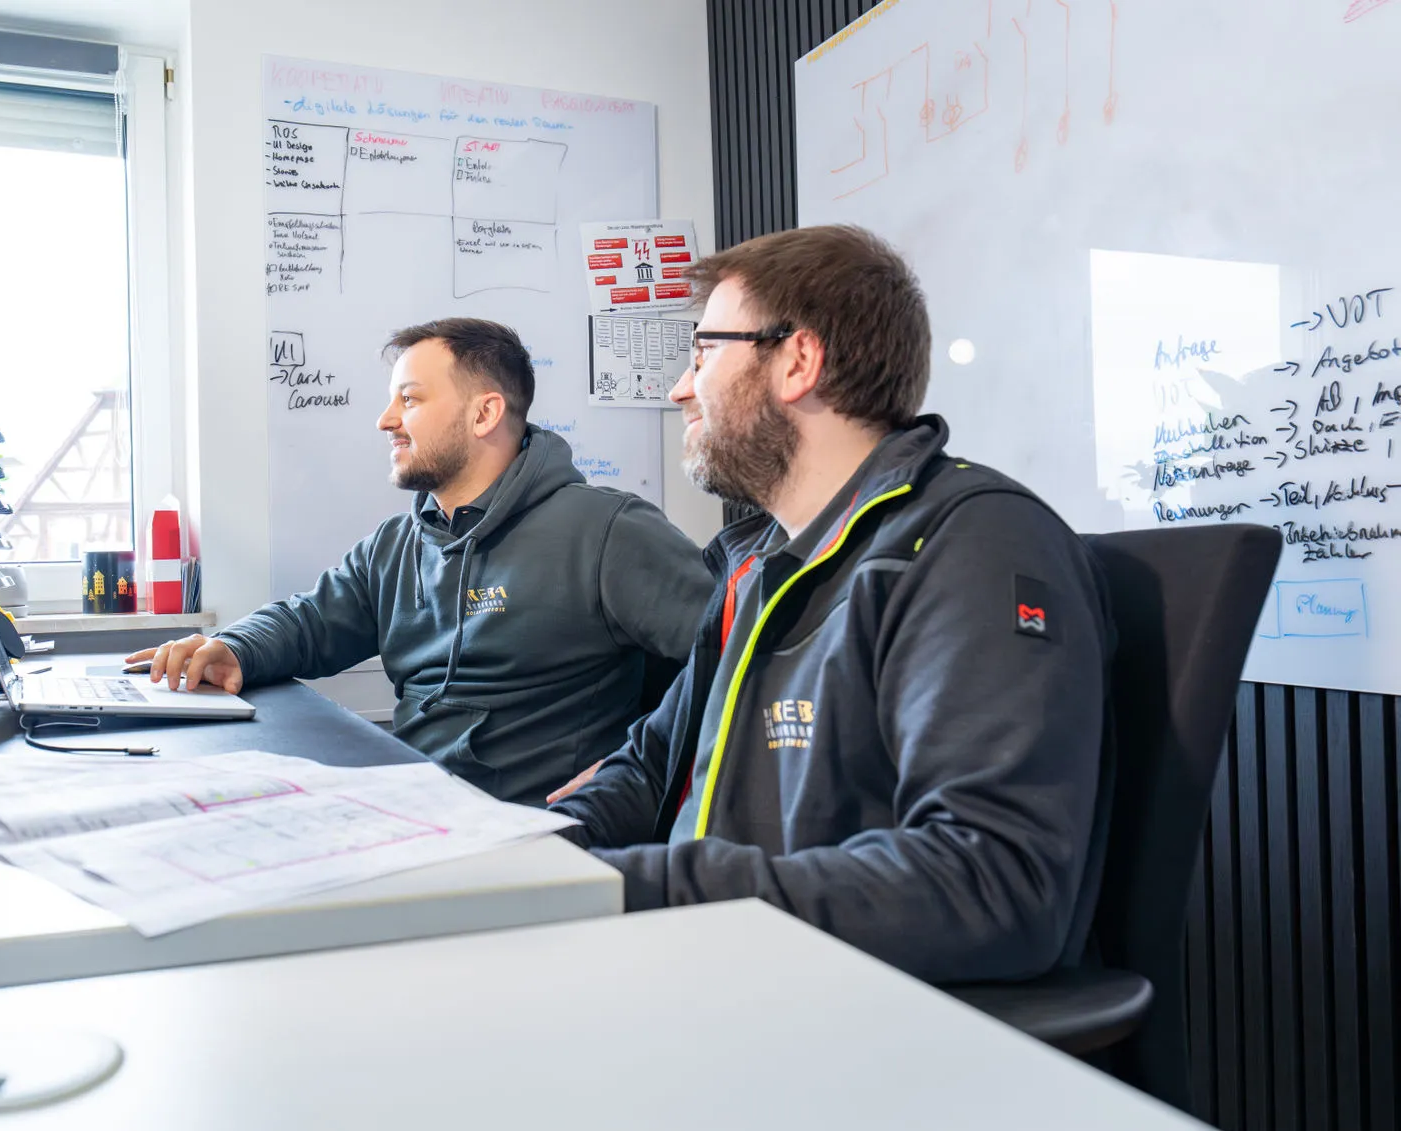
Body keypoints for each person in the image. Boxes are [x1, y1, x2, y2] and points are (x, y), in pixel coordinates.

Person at [547, 225, 1115, 985]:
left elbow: (992, 882)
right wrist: (538, 854)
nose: (681, 388)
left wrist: (645, 892)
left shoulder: (971, 544)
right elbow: (653, 768)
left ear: (797, 361)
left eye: (703, 354)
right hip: (703, 965)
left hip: (824, 1011)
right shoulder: (761, 564)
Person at [130, 318, 715, 807]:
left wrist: (639, 770)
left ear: (485, 414)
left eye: (408, 400)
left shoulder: (608, 531)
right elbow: (309, 620)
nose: (386, 420)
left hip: (537, 830)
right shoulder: (400, 542)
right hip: (416, 804)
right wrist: (232, 647)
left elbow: (733, 658)